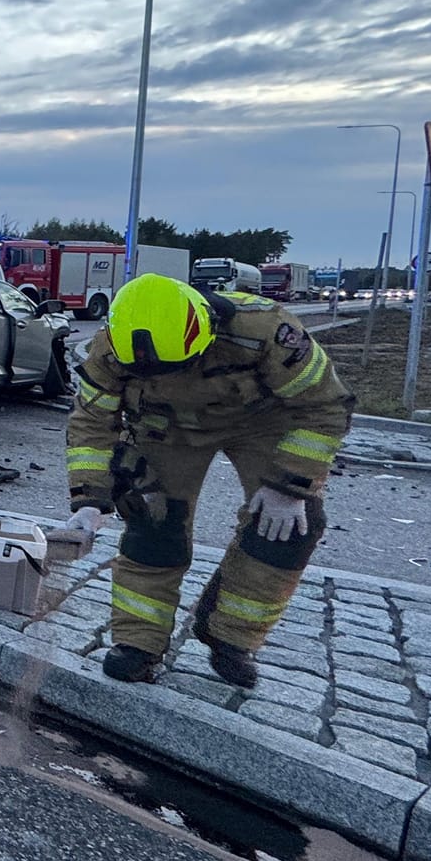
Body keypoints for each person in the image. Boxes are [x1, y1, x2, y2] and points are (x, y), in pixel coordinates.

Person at [67, 275, 354, 687]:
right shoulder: (109, 348)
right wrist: (89, 501)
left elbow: (326, 406)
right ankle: (139, 644)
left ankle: (231, 638)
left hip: (262, 424)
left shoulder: (265, 331)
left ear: (205, 327)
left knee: (288, 528)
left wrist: (290, 485)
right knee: (152, 527)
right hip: (162, 428)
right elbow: (92, 423)